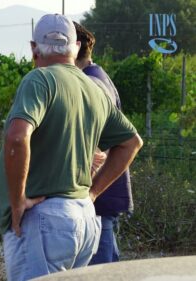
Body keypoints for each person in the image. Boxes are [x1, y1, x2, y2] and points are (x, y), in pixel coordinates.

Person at [0, 14, 143, 280]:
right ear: (74, 48)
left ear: (33, 48)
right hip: (83, 215)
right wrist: (94, 193)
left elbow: (17, 138)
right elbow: (132, 142)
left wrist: (17, 202)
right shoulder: (93, 88)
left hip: (43, 219)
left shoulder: (38, 80)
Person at [74, 21, 134, 265]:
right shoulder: (97, 76)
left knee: (101, 268)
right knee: (108, 262)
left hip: (99, 195)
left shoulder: (92, 84)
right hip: (105, 193)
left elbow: (101, 146)